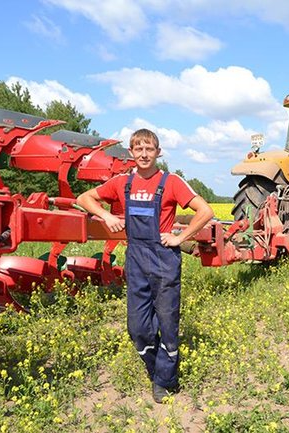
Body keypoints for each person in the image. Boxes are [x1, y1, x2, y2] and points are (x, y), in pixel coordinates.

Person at [77, 128, 214, 403]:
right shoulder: (121, 183)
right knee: (137, 327)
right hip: (137, 259)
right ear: (131, 153)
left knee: (167, 321)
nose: (143, 154)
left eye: (149, 149)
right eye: (138, 149)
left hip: (164, 258)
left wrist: (180, 237)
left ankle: (164, 381)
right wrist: (105, 215)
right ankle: (156, 368)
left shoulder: (171, 182)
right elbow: (84, 198)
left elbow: (206, 211)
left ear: (158, 153)